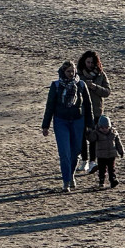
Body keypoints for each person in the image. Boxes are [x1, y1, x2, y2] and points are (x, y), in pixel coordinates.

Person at [42, 60, 95, 192]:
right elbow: (50, 106)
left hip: (78, 121)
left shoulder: (81, 85)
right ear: (63, 72)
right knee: (64, 153)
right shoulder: (56, 85)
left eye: (72, 71)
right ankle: (66, 181)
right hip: (61, 121)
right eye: (68, 71)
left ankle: (71, 175)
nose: (71, 74)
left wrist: (90, 124)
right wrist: (45, 126)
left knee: (76, 151)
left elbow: (88, 107)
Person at [76, 50, 111, 175]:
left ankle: (92, 161)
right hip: (81, 110)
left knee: (93, 137)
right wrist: (84, 85)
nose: (90, 64)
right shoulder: (78, 74)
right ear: (84, 62)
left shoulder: (101, 74)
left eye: (92, 62)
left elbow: (107, 92)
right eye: (88, 62)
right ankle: (84, 160)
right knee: (81, 136)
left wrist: (94, 87)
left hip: (96, 111)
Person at [86, 115, 124, 189]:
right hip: (101, 155)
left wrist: (121, 151)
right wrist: (88, 133)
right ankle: (101, 181)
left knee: (111, 169)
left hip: (111, 155)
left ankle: (113, 180)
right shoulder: (96, 133)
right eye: (102, 128)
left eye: (106, 128)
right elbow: (91, 139)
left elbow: (118, 143)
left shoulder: (114, 133)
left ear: (109, 127)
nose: (104, 129)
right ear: (99, 127)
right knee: (102, 169)